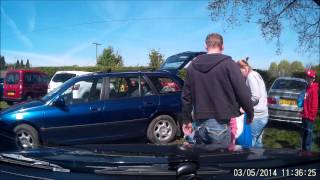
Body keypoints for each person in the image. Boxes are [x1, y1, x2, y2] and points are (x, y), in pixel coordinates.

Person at [182, 33, 254, 146]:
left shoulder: (192, 66)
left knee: (203, 160)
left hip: (199, 124)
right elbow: (242, 92)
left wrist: (186, 120)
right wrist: (250, 113)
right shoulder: (229, 64)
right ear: (222, 46)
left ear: (206, 46)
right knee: (219, 161)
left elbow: (186, 97)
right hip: (220, 125)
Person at [237, 59, 269, 147]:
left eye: (240, 72)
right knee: (258, 142)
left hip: (257, 116)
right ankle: (259, 159)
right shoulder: (256, 74)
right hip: (263, 115)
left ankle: (249, 159)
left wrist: (245, 106)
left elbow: (256, 96)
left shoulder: (251, 76)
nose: (240, 75)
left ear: (245, 68)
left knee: (250, 142)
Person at [301, 69, 318, 151]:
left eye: (309, 77)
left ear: (313, 79)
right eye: (307, 77)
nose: (307, 78)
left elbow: (314, 106)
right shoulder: (307, 87)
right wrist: (303, 112)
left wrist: (310, 116)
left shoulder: (314, 90)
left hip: (309, 117)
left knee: (308, 136)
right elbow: (305, 101)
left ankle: (307, 153)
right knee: (304, 134)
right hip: (305, 115)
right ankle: (303, 151)